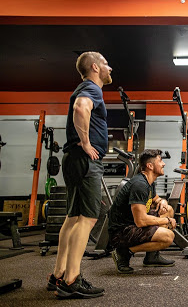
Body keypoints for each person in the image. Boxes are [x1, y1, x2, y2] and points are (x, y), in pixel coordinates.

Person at [48, 51, 112, 299]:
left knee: (73, 218)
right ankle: (71, 279)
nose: (110, 68)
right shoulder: (91, 89)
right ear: (95, 67)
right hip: (84, 160)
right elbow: (80, 107)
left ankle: (59, 274)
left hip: (74, 160)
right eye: (106, 64)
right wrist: (86, 143)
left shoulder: (83, 87)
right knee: (88, 218)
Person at [108, 149, 177, 274]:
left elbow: (157, 199)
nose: (163, 164)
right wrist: (166, 220)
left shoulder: (149, 182)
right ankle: (123, 253)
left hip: (132, 224)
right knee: (168, 237)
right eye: (160, 161)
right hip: (122, 232)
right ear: (150, 166)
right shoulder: (140, 185)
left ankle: (152, 257)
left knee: (168, 210)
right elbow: (141, 221)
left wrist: (163, 202)